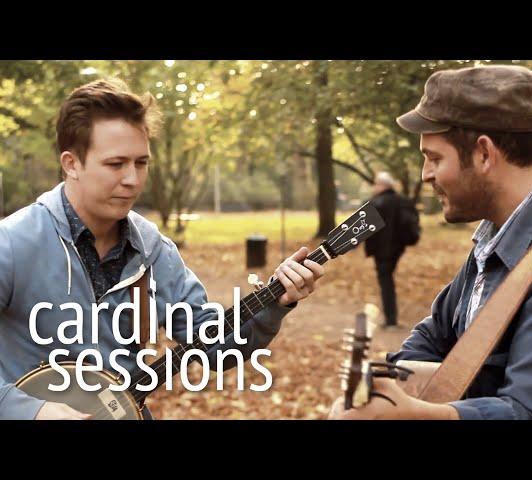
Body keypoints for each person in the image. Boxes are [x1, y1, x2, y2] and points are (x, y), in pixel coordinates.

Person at [0, 79, 325, 419]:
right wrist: (30, 410)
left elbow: (215, 347)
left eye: (141, 163)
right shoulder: (13, 243)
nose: (133, 179)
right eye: (116, 164)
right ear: (71, 164)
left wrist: (276, 301)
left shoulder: (154, 251)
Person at [329, 65, 532, 420]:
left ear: (484, 155)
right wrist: (383, 386)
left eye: (434, 158)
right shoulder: (496, 236)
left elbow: (525, 412)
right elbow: (436, 334)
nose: (425, 174)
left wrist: (410, 414)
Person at [364, 172, 415, 328]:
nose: (375, 187)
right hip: (397, 250)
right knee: (387, 280)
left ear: (383, 185)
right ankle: (391, 317)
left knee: (385, 282)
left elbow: (366, 229)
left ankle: (390, 319)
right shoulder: (402, 201)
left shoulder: (376, 203)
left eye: (377, 184)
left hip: (382, 252)